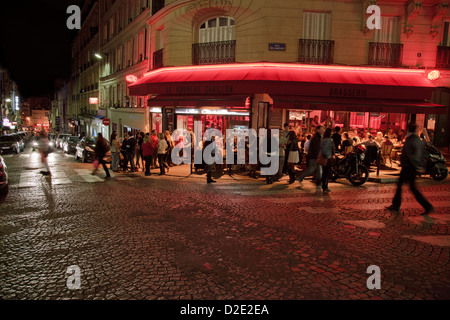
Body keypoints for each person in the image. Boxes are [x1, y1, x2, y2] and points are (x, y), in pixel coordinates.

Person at [386, 122, 434, 215]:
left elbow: (410, 154)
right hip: (411, 167)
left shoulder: (411, 139)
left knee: (407, 187)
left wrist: (413, 164)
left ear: (408, 129)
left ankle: (427, 206)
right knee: (406, 187)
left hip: (409, 167)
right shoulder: (416, 139)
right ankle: (396, 205)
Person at [320, 128, 334, 193]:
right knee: (327, 173)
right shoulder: (329, 140)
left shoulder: (323, 139)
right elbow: (326, 149)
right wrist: (329, 156)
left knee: (324, 172)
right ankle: (325, 187)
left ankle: (324, 186)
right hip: (327, 158)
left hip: (323, 157)